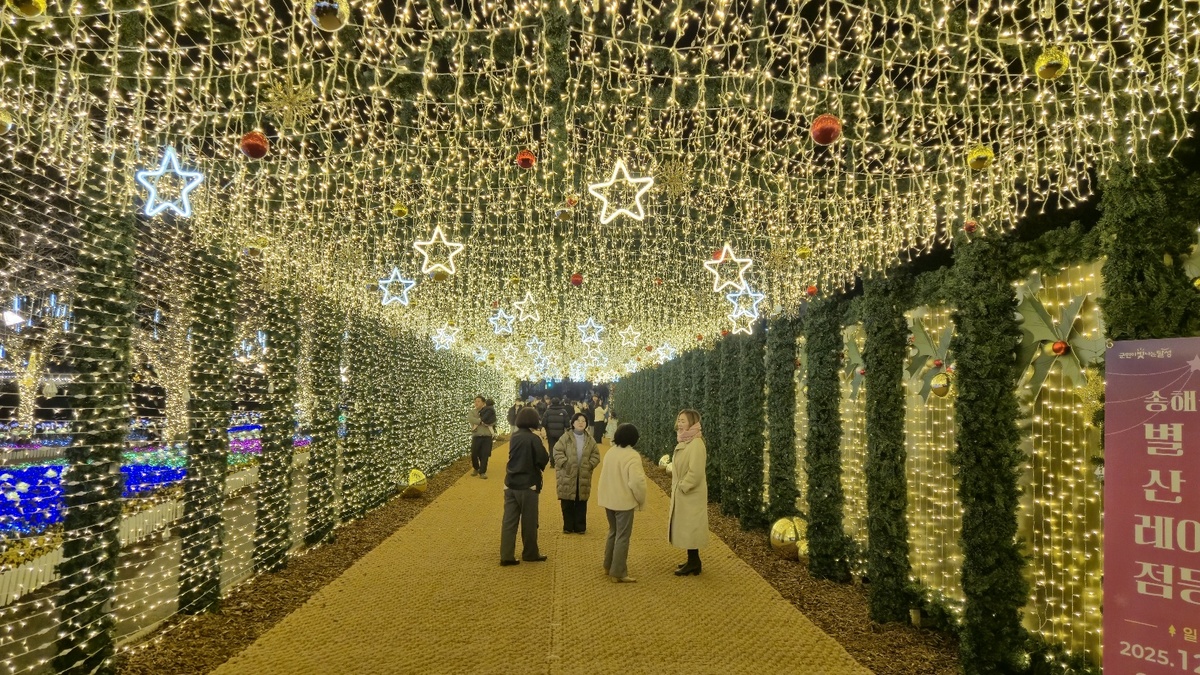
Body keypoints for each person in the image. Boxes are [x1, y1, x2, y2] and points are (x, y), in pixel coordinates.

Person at [597, 423, 647, 583]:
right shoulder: (632, 456)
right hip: (624, 501)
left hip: (609, 499)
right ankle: (618, 572)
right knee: (623, 537)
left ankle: (608, 566)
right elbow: (637, 482)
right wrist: (641, 499)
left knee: (613, 532)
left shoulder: (611, 452)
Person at [500, 407, 550, 565]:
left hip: (511, 482)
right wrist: (540, 439)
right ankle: (530, 553)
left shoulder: (514, 436)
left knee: (509, 522)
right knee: (529, 522)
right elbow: (543, 459)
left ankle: (506, 555)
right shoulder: (533, 438)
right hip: (528, 484)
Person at [667, 409, 708, 576]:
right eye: (679, 420)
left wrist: (683, 486)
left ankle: (694, 562)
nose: (679, 423)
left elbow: (696, 472)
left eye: (683, 421)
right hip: (685, 494)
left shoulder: (696, 444)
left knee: (691, 528)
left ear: (692, 423)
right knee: (688, 528)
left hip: (691, 494)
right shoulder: (686, 441)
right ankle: (693, 561)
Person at [552, 413, 601, 534]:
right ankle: (568, 526)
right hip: (567, 474)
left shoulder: (590, 440)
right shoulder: (566, 437)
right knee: (567, 501)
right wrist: (564, 463)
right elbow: (557, 451)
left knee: (581, 501)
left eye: (583, 421)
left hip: (583, 475)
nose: (581, 423)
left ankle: (580, 526)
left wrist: (590, 465)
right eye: (578, 420)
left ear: (586, 424)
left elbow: (596, 455)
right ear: (573, 423)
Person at [469, 395, 495, 479]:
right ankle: (476, 468)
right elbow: (471, 419)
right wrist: (482, 421)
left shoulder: (488, 411)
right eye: (475, 401)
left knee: (484, 455)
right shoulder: (472, 412)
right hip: (476, 436)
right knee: (474, 453)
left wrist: (482, 422)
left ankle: (482, 472)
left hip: (487, 436)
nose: (476, 403)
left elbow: (493, 421)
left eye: (478, 401)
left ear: (483, 403)